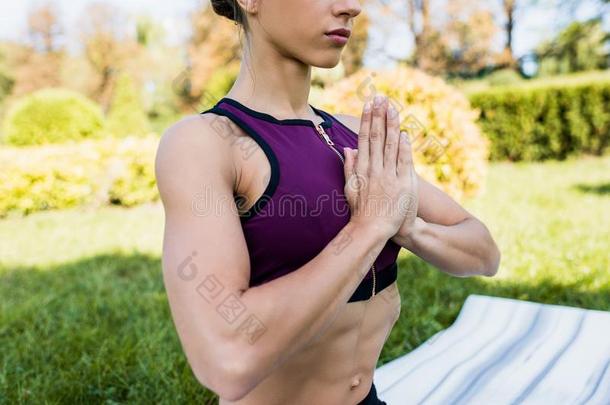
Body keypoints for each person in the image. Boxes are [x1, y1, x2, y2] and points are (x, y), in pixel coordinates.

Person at [154, 0, 501, 404]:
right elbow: (227, 361)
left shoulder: (356, 135)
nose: (351, 7)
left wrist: (408, 227)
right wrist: (369, 227)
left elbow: (484, 252)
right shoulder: (206, 143)